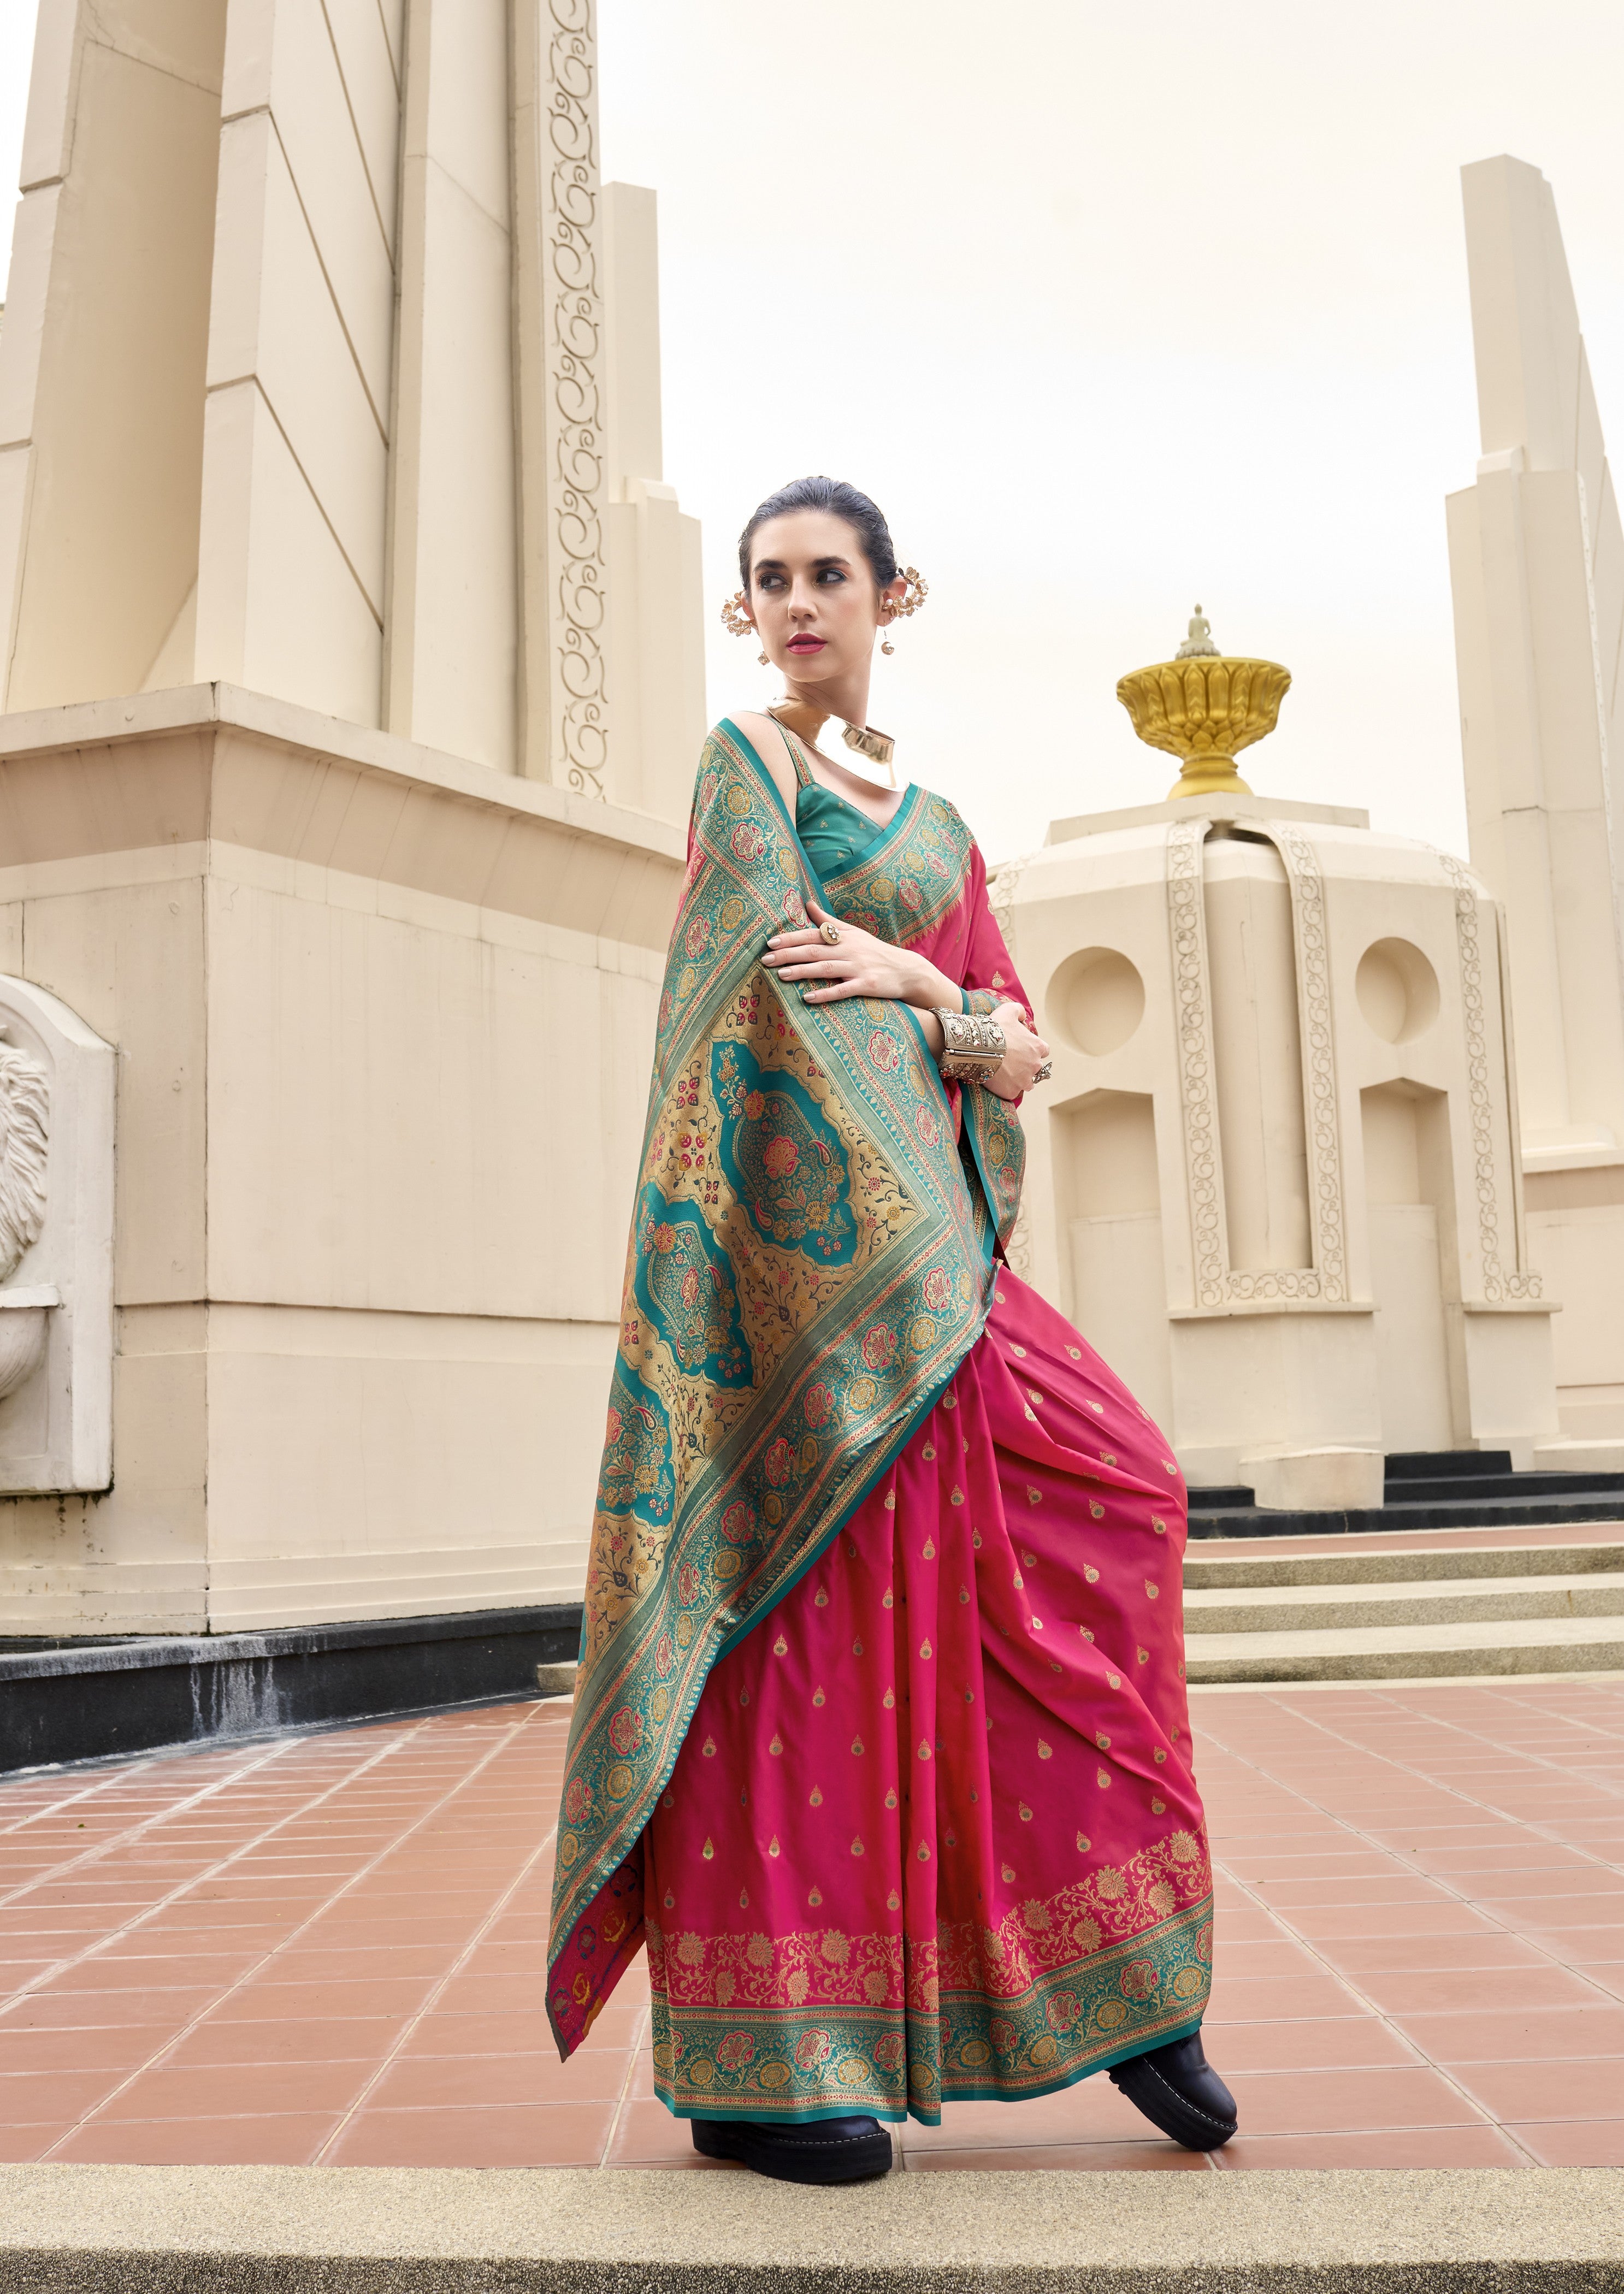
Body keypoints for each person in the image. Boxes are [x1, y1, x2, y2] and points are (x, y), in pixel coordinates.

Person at [547, 476, 1235, 2183]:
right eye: (768, 580)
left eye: (827, 576)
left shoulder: (936, 825)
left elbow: (1018, 1045)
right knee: (812, 1654)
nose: (797, 604)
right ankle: (765, 2071)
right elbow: (768, 987)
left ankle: (1116, 1977)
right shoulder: (747, 765)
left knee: (1112, 1508)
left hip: (945, 1291)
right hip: (811, 1310)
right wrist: (940, 1022)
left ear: (889, 595)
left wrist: (925, 986)